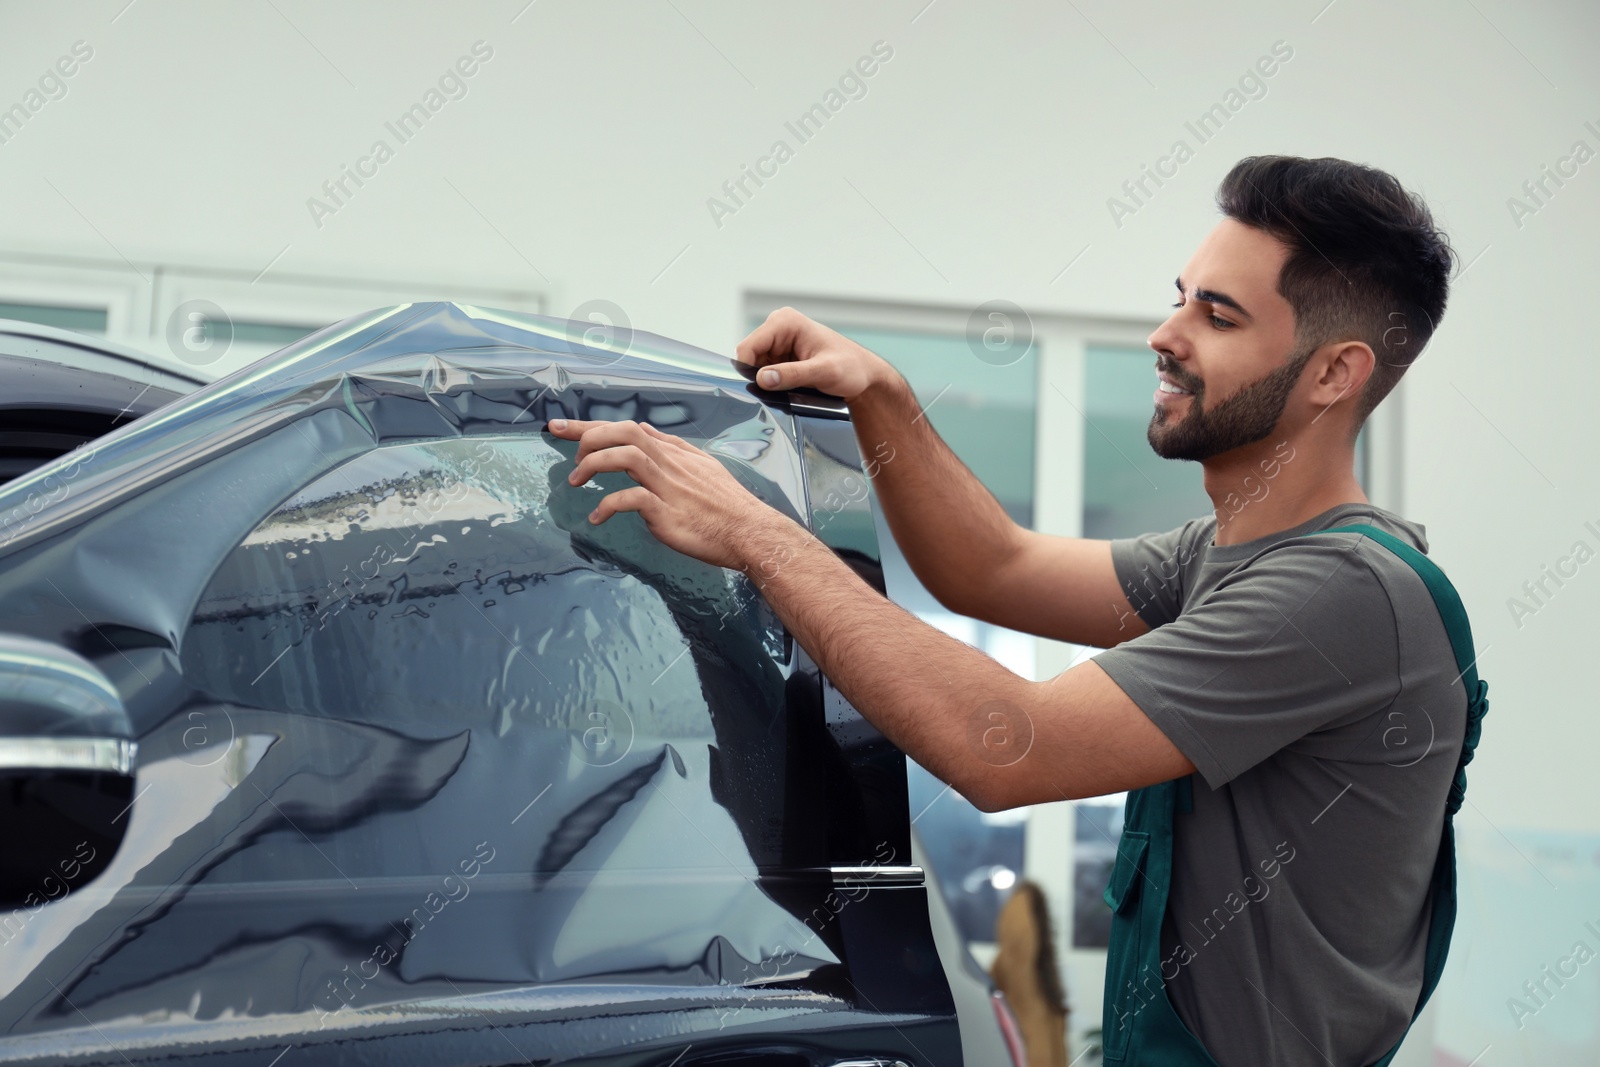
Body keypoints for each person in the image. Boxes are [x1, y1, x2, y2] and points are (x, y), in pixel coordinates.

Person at [546, 154, 1487, 1066]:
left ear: (1334, 373)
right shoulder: (1227, 559)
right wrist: (885, 398)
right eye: (1180, 295)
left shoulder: (1342, 594)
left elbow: (1008, 745)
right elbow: (996, 567)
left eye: (1218, 314)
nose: (1167, 333)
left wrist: (760, 536)